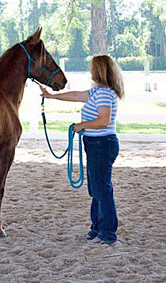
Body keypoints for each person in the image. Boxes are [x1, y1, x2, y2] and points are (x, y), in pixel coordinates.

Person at [39, 54, 125, 245]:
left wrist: (81, 125)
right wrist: (51, 96)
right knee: (96, 188)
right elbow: (76, 95)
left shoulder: (103, 94)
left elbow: (103, 120)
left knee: (102, 189)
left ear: (99, 71)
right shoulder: (98, 91)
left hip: (101, 144)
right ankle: (97, 228)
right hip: (96, 144)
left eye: (92, 68)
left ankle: (108, 233)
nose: (90, 71)